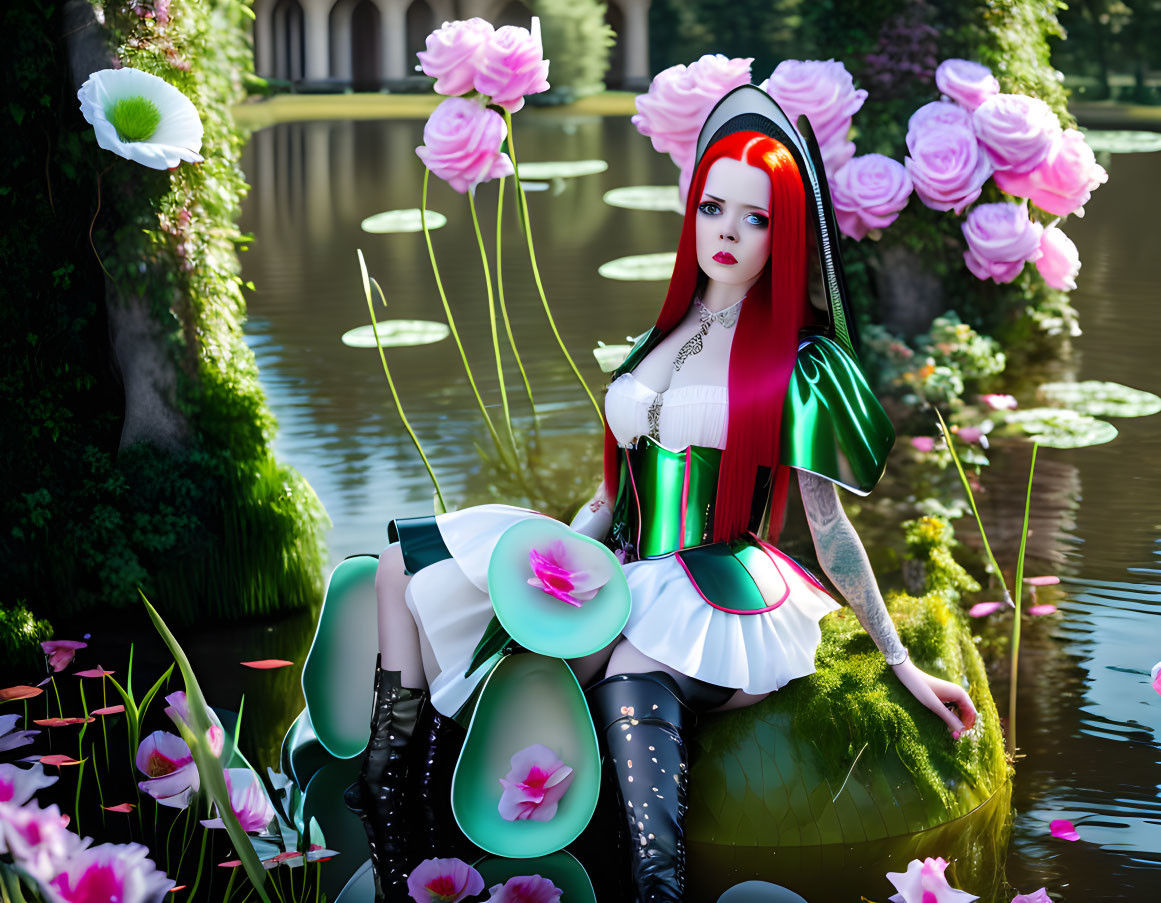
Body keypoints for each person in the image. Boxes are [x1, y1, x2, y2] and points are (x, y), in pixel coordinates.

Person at [339, 86, 978, 903]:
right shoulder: (661, 333)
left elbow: (829, 527)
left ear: (783, 235)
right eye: (714, 207)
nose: (728, 231)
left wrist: (898, 658)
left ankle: (656, 882)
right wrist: (552, 563)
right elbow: (614, 495)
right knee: (407, 560)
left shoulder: (800, 360)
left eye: (755, 218)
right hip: (621, 559)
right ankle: (395, 799)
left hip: (713, 582)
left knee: (636, 660)